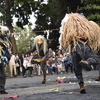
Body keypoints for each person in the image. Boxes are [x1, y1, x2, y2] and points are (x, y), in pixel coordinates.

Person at [59, 13, 100, 93]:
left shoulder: (67, 29)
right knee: (95, 58)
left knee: (77, 67)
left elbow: (63, 41)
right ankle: (87, 63)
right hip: (82, 45)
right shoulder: (85, 28)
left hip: (73, 48)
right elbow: (92, 35)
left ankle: (81, 85)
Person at [0, 25, 11, 94]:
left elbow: (6, 51)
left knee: (2, 74)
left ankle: (1, 88)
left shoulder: (4, 41)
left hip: (1, 59)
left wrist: (6, 58)